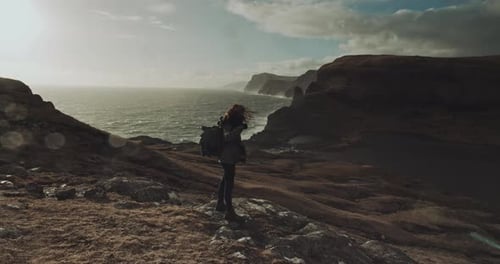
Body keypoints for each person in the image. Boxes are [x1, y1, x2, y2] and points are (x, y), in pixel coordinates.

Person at [216, 104, 251, 221]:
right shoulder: (232, 124)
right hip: (228, 156)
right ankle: (229, 211)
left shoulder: (226, 121)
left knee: (225, 178)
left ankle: (220, 204)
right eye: (242, 113)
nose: (243, 115)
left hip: (224, 155)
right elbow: (228, 138)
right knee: (229, 182)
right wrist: (238, 129)